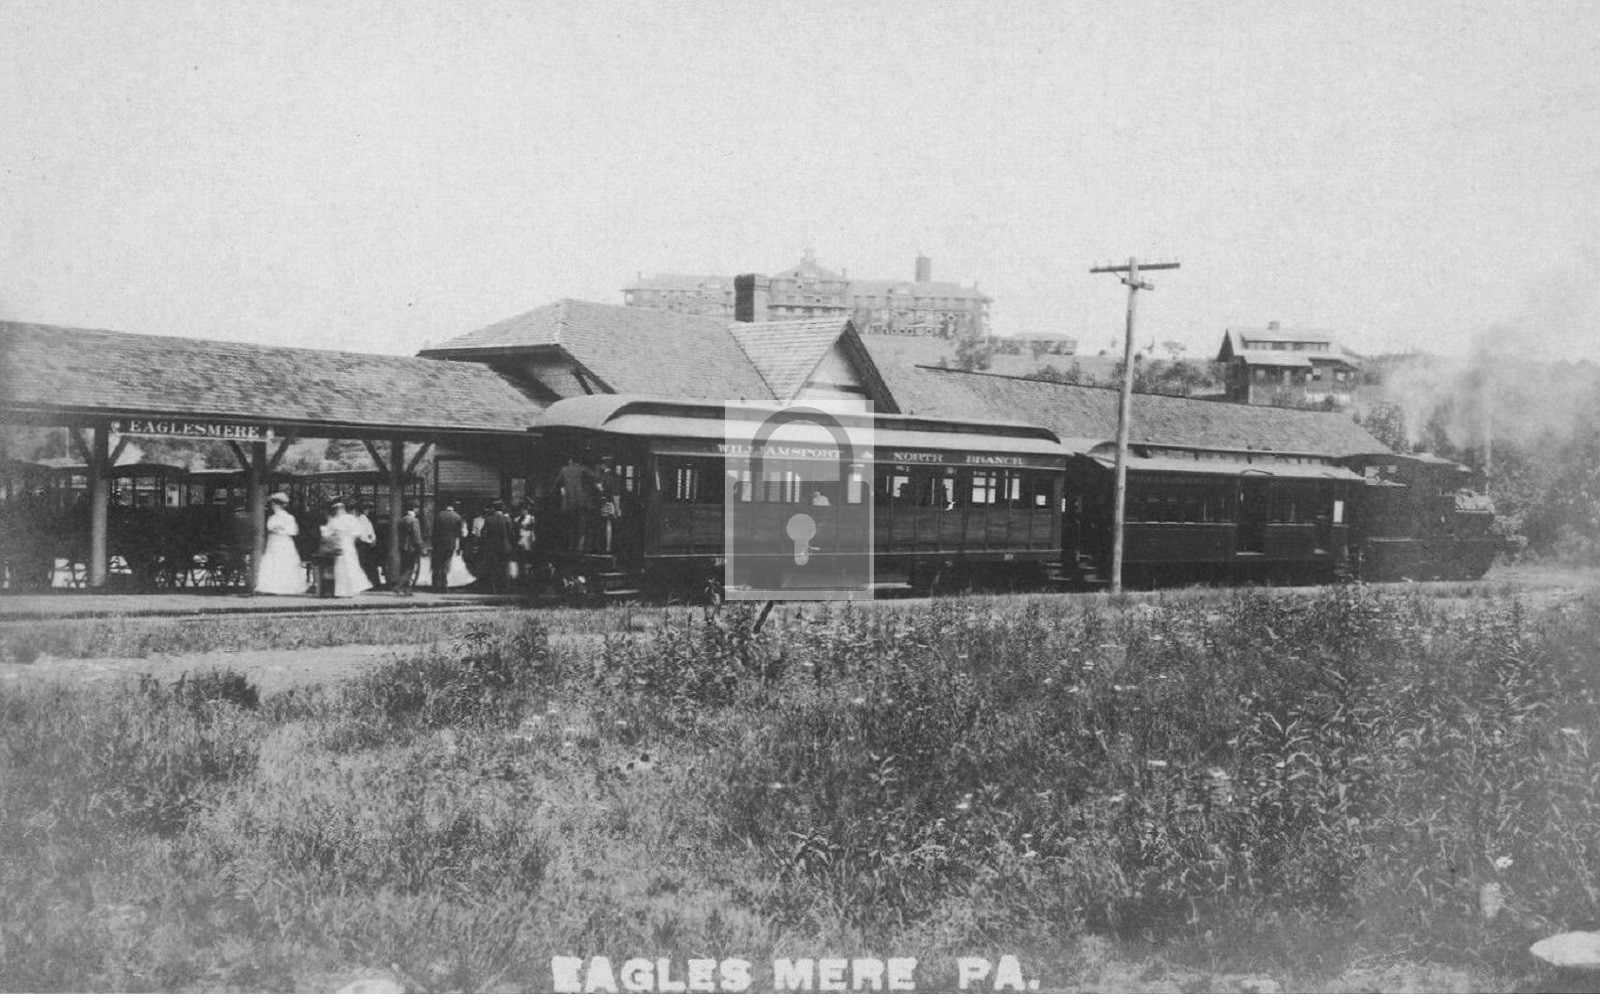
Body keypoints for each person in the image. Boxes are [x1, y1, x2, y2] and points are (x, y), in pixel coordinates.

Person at [255, 492, 306, 595]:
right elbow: (269, 528)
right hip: (273, 543)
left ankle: (284, 588)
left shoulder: (289, 518)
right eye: (273, 504)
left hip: (284, 543)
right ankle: (271, 587)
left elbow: (293, 531)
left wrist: (280, 530)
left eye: (276, 504)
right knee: (272, 562)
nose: (274, 506)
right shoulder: (272, 518)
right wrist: (275, 529)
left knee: (284, 563)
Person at [319, 500, 372, 597]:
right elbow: (360, 532)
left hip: (343, 544)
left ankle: (346, 590)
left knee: (345, 567)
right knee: (348, 567)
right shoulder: (350, 519)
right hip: (347, 545)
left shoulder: (336, 520)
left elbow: (327, 534)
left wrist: (327, 532)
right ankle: (349, 590)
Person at [553, 454, 595, 552]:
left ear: (570, 460)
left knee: (569, 527)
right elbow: (594, 477)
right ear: (579, 462)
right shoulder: (583, 469)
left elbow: (556, 485)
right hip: (581, 504)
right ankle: (579, 550)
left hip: (567, 504)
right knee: (581, 528)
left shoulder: (564, 470)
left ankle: (569, 549)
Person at [477, 499, 514, 594]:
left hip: (492, 548)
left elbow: (483, 533)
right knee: (505, 568)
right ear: (503, 508)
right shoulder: (507, 519)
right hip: (505, 548)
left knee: (493, 568)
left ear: (494, 508)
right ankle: (505, 589)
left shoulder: (489, 519)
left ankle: (494, 588)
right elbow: (511, 534)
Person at [396, 500, 425, 597]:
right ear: (414, 508)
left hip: (402, 547)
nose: (418, 510)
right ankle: (399, 586)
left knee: (403, 568)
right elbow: (416, 537)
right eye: (417, 508)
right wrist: (420, 548)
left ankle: (406, 590)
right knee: (410, 569)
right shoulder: (414, 521)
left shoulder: (401, 520)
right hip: (411, 548)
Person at [353, 500, 381, 587]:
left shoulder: (364, 518)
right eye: (368, 509)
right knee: (369, 565)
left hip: (365, 544)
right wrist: (371, 541)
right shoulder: (363, 519)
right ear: (365, 510)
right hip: (365, 544)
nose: (370, 511)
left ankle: (371, 582)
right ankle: (373, 583)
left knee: (367, 565)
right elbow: (364, 533)